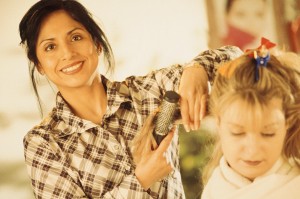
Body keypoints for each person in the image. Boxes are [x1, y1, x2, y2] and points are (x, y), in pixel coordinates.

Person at [19, 0, 242, 198]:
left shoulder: (147, 92)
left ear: (97, 44)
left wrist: (198, 69)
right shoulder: (43, 143)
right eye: (50, 47)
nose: (67, 53)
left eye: (76, 37)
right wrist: (141, 179)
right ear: (39, 65)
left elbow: (236, 58)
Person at [201, 39, 300, 199]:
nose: (253, 149)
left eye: (268, 133)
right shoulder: (214, 190)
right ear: (218, 123)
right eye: (237, 132)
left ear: (287, 122)